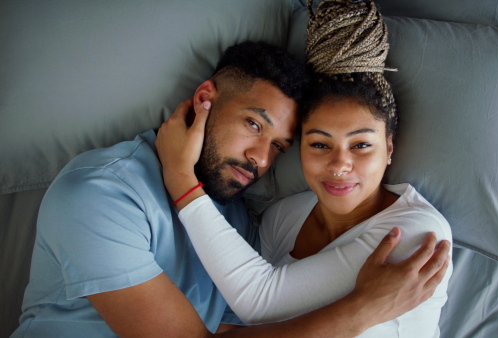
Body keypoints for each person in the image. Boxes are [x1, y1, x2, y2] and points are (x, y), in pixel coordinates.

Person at [12, 40, 450, 338]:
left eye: (279, 145)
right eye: (253, 125)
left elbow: (237, 329)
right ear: (207, 98)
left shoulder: (234, 213)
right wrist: (363, 308)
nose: (260, 159)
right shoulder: (100, 194)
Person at [156, 1, 452, 337]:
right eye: (320, 145)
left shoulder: (416, 233)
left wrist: (180, 177)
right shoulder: (281, 218)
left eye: (361, 145)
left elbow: (258, 301)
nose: (339, 164)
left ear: (390, 149)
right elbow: (251, 322)